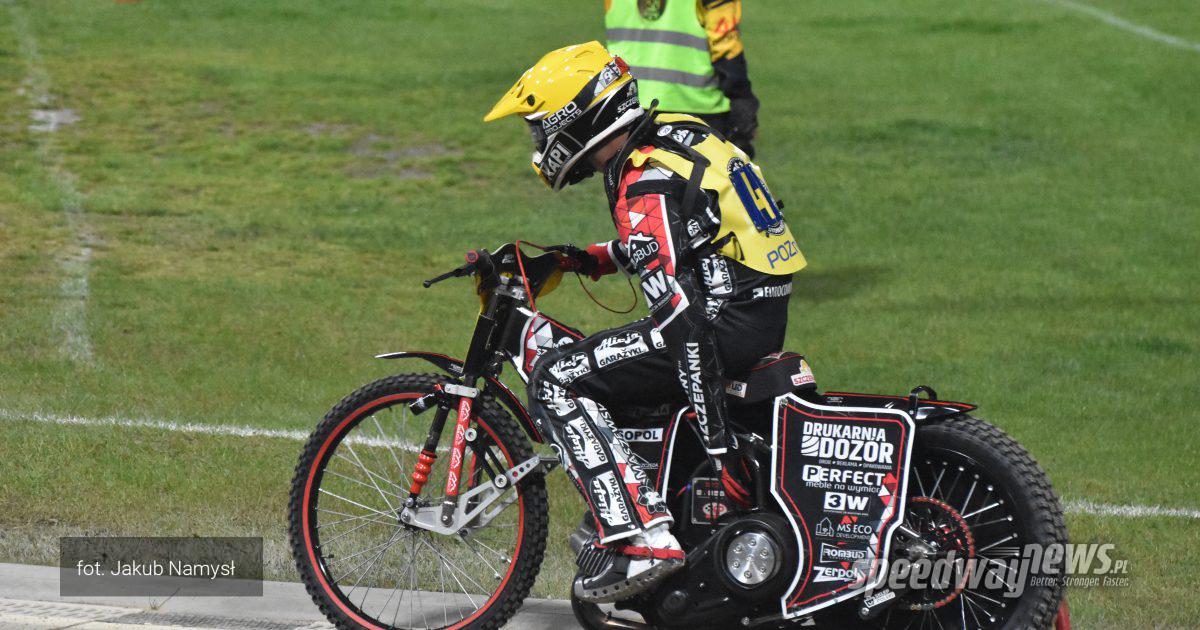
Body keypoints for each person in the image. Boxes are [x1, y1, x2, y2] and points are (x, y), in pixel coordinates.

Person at [484, 41, 804, 603]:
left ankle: (643, 538)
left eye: (539, 129)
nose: (538, 144)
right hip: (756, 310)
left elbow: (682, 323)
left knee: (556, 377)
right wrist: (581, 260)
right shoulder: (677, 134)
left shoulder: (642, 181)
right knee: (606, 366)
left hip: (718, 324)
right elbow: (689, 239)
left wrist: (720, 447)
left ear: (573, 120)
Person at [604, 0, 761, 157]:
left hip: (628, 105)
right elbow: (725, 44)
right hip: (698, 107)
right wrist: (741, 98)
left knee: (637, 172)